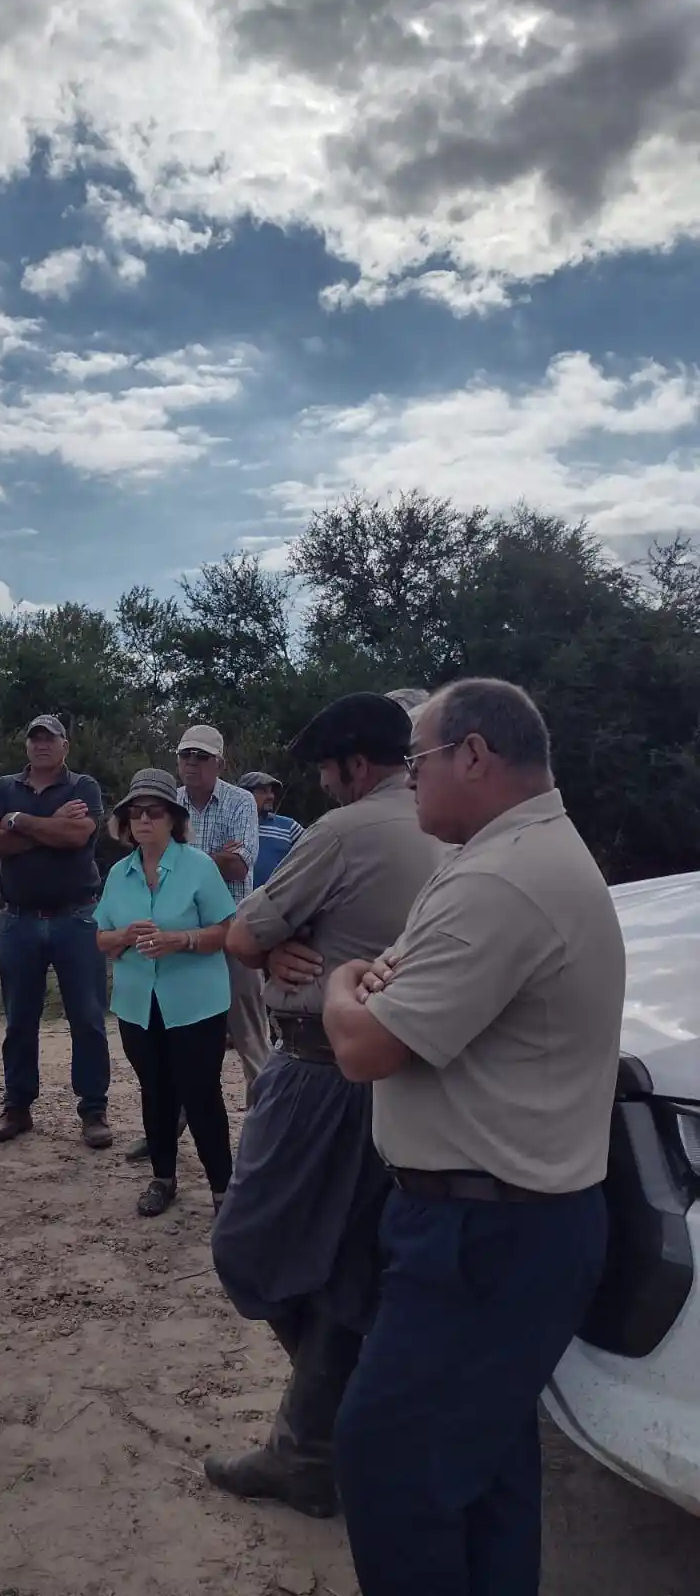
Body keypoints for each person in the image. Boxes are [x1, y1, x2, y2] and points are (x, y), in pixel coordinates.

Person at [324, 679, 625, 1596]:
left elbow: (366, 1042)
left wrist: (338, 981)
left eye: (415, 761)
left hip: (483, 1240)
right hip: (505, 1226)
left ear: (475, 757)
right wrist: (374, 983)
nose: (405, 780)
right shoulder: (501, 855)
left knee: (390, 1472)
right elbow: (401, 980)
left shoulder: (501, 878)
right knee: (484, 1471)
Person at [207, 693, 446, 1519]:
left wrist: (272, 942)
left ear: (354, 764)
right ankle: (313, 1445)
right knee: (348, 1267)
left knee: (247, 1246)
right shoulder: (449, 827)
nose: (323, 783)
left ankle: (325, 1436)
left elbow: (242, 934)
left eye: (325, 768)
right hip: (407, 1075)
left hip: (318, 1070)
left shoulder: (342, 833)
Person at [95, 769, 236, 1217]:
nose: (143, 821)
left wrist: (182, 940)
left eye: (154, 812)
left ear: (173, 819)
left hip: (197, 1003)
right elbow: (100, 938)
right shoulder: (119, 873)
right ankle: (163, 1178)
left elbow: (226, 931)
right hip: (139, 1004)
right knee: (153, 1090)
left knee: (200, 1093)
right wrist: (122, 936)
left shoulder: (200, 866)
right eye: (134, 813)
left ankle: (223, 1191)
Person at [0, 715, 113, 1148]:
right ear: (26, 746)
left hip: (77, 917)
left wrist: (18, 820)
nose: (41, 746)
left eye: (49, 739)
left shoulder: (83, 787)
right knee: (19, 1019)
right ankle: (17, 1106)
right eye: (34, 738)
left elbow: (78, 835)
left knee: (88, 1018)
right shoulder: (2, 788)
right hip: (18, 918)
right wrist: (46, 825)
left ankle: (93, 1110)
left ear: (65, 746)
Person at [239, 771, 303, 888]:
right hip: (237, 900)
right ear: (245, 794)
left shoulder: (289, 827)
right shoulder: (233, 825)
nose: (271, 796)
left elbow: (311, 854)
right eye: (263, 791)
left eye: (271, 792)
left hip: (276, 901)